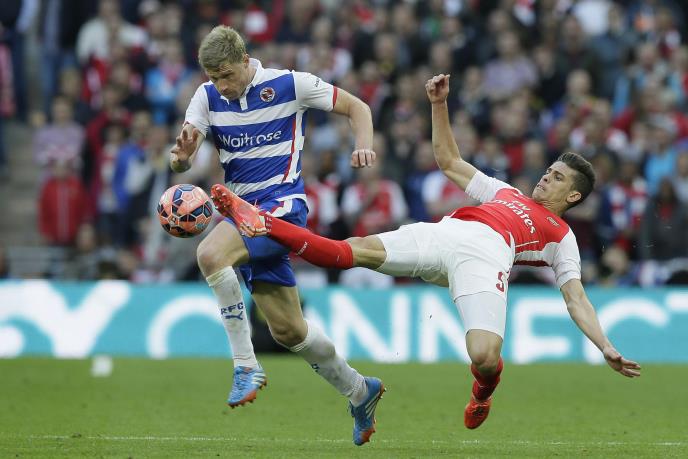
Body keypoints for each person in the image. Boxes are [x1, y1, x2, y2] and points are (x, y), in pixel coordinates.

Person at [211, 74, 642, 431]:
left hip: (485, 260)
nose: (546, 177)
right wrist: (439, 105)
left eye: (558, 177)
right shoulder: (506, 192)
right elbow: (449, 161)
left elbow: (576, 297)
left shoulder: (562, 237)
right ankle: (263, 221)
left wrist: (604, 345)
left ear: (574, 195)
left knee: (484, 358)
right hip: (445, 233)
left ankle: (482, 393)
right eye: (549, 170)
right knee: (349, 251)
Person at [170, 26, 383, 446]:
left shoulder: (290, 85)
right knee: (289, 331)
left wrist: (363, 144)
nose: (221, 85)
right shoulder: (206, 97)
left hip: (282, 208)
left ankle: (245, 365)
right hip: (242, 215)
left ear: (245, 59)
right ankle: (361, 391)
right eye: (213, 77)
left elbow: (358, 107)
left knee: (210, 255)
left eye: (227, 75)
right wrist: (180, 158)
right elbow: (183, 158)